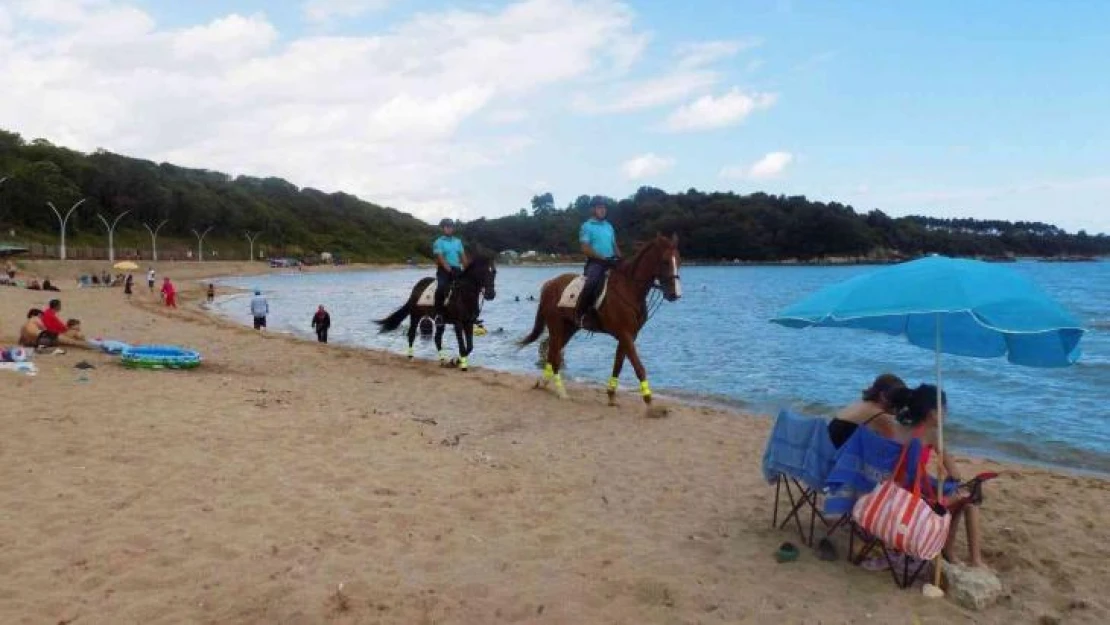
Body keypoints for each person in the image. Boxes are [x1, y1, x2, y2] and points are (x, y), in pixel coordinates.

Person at [892, 384, 986, 568]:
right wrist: (951, 480)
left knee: (959, 496)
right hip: (917, 499)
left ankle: (951, 552)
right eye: (944, 408)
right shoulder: (932, 435)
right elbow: (956, 474)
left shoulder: (901, 428)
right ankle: (971, 559)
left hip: (897, 492)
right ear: (932, 413)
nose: (946, 413)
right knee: (968, 500)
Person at [827, 373, 906, 448]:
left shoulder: (860, 403)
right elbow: (895, 442)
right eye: (896, 399)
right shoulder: (879, 415)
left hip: (829, 446)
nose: (898, 405)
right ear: (882, 396)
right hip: (841, 453)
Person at [576, 197, 621, 326]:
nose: (603, 210)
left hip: (612, 261)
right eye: (599, 208)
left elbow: (614, 246)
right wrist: (602, 257)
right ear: (593, 210)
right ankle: (581, 314)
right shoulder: (587, 226)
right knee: (591, 283)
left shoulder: (609, 226)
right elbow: (585, 248)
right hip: (596, 263)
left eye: (604, 208)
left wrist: (622, 259)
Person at [432, 218, 467, 324]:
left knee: (468, 287)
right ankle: (439, 314)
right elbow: (441, 258)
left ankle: (469, 313)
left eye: (451, 227)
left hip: (457, 268)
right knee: (441, 287)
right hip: (444, 270)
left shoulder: (458, 242)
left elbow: (463, 257)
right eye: (447, 227)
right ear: (443, 228)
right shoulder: (438, 242)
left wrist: (468, 270)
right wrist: (449, 270)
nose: (449, 229)